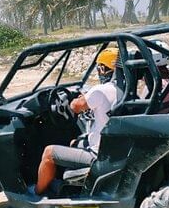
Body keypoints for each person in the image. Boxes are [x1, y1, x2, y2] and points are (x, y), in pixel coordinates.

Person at [32, 48, 119, 195]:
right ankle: (64, 184)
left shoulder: (100, 90)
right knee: (74, 142)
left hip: (98, 154)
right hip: (113, 149)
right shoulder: (125, 90)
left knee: (48, 153)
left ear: (103, 69)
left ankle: (37, 192)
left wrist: (81, 98)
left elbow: (75, 107)